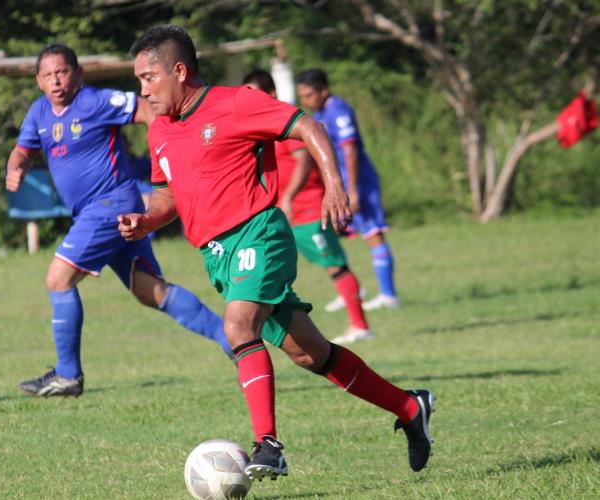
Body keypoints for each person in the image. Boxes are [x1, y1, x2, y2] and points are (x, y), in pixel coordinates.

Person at [121, 25, 435, 481]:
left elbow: (309, 126)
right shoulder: (160, 132)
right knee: (311, 354)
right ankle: (409, 406)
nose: (142, 90)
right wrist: (146, 220)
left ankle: (267, 444)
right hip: (217, 255)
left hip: (258, 234)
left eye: (148, 78)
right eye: (139, 81)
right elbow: (167, 195)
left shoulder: (235, 103)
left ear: (179, 71)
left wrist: (334, 185)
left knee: (238, 325)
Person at [6, 43, 232, 398]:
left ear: (77, 74)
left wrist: (171, 148)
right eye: (48, 75)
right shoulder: (38, 113)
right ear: (38, 81)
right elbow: (23, 149)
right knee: (150, 291)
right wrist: (15, 166)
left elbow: (148, 112)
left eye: (63, 72)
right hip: (99, 212)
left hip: (110, 204)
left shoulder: (94, 101)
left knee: (58, 279)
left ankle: (68, 375)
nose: (56, 80)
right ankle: (232, 338)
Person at [242, 70, 373, 344]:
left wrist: (288, 196)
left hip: (308, 209)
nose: (249, 99)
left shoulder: (285, 119)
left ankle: (359, 325)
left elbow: (303, 161)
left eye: (254, 93)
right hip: (286, 215)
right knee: (275, 274)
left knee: (335, 265)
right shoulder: (257, 124)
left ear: (272, 93)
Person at [296, 69, 400, 312]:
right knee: (336, 234)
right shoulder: (321, 112)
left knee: (373, 234)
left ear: (324, 90)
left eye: (310, 94)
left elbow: (350, 150)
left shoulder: (338, 110)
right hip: (341, 184)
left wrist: (352, 189)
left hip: (359, 181)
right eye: (303, 96)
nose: (306, 101)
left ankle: (388, 294)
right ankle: (351, 290)